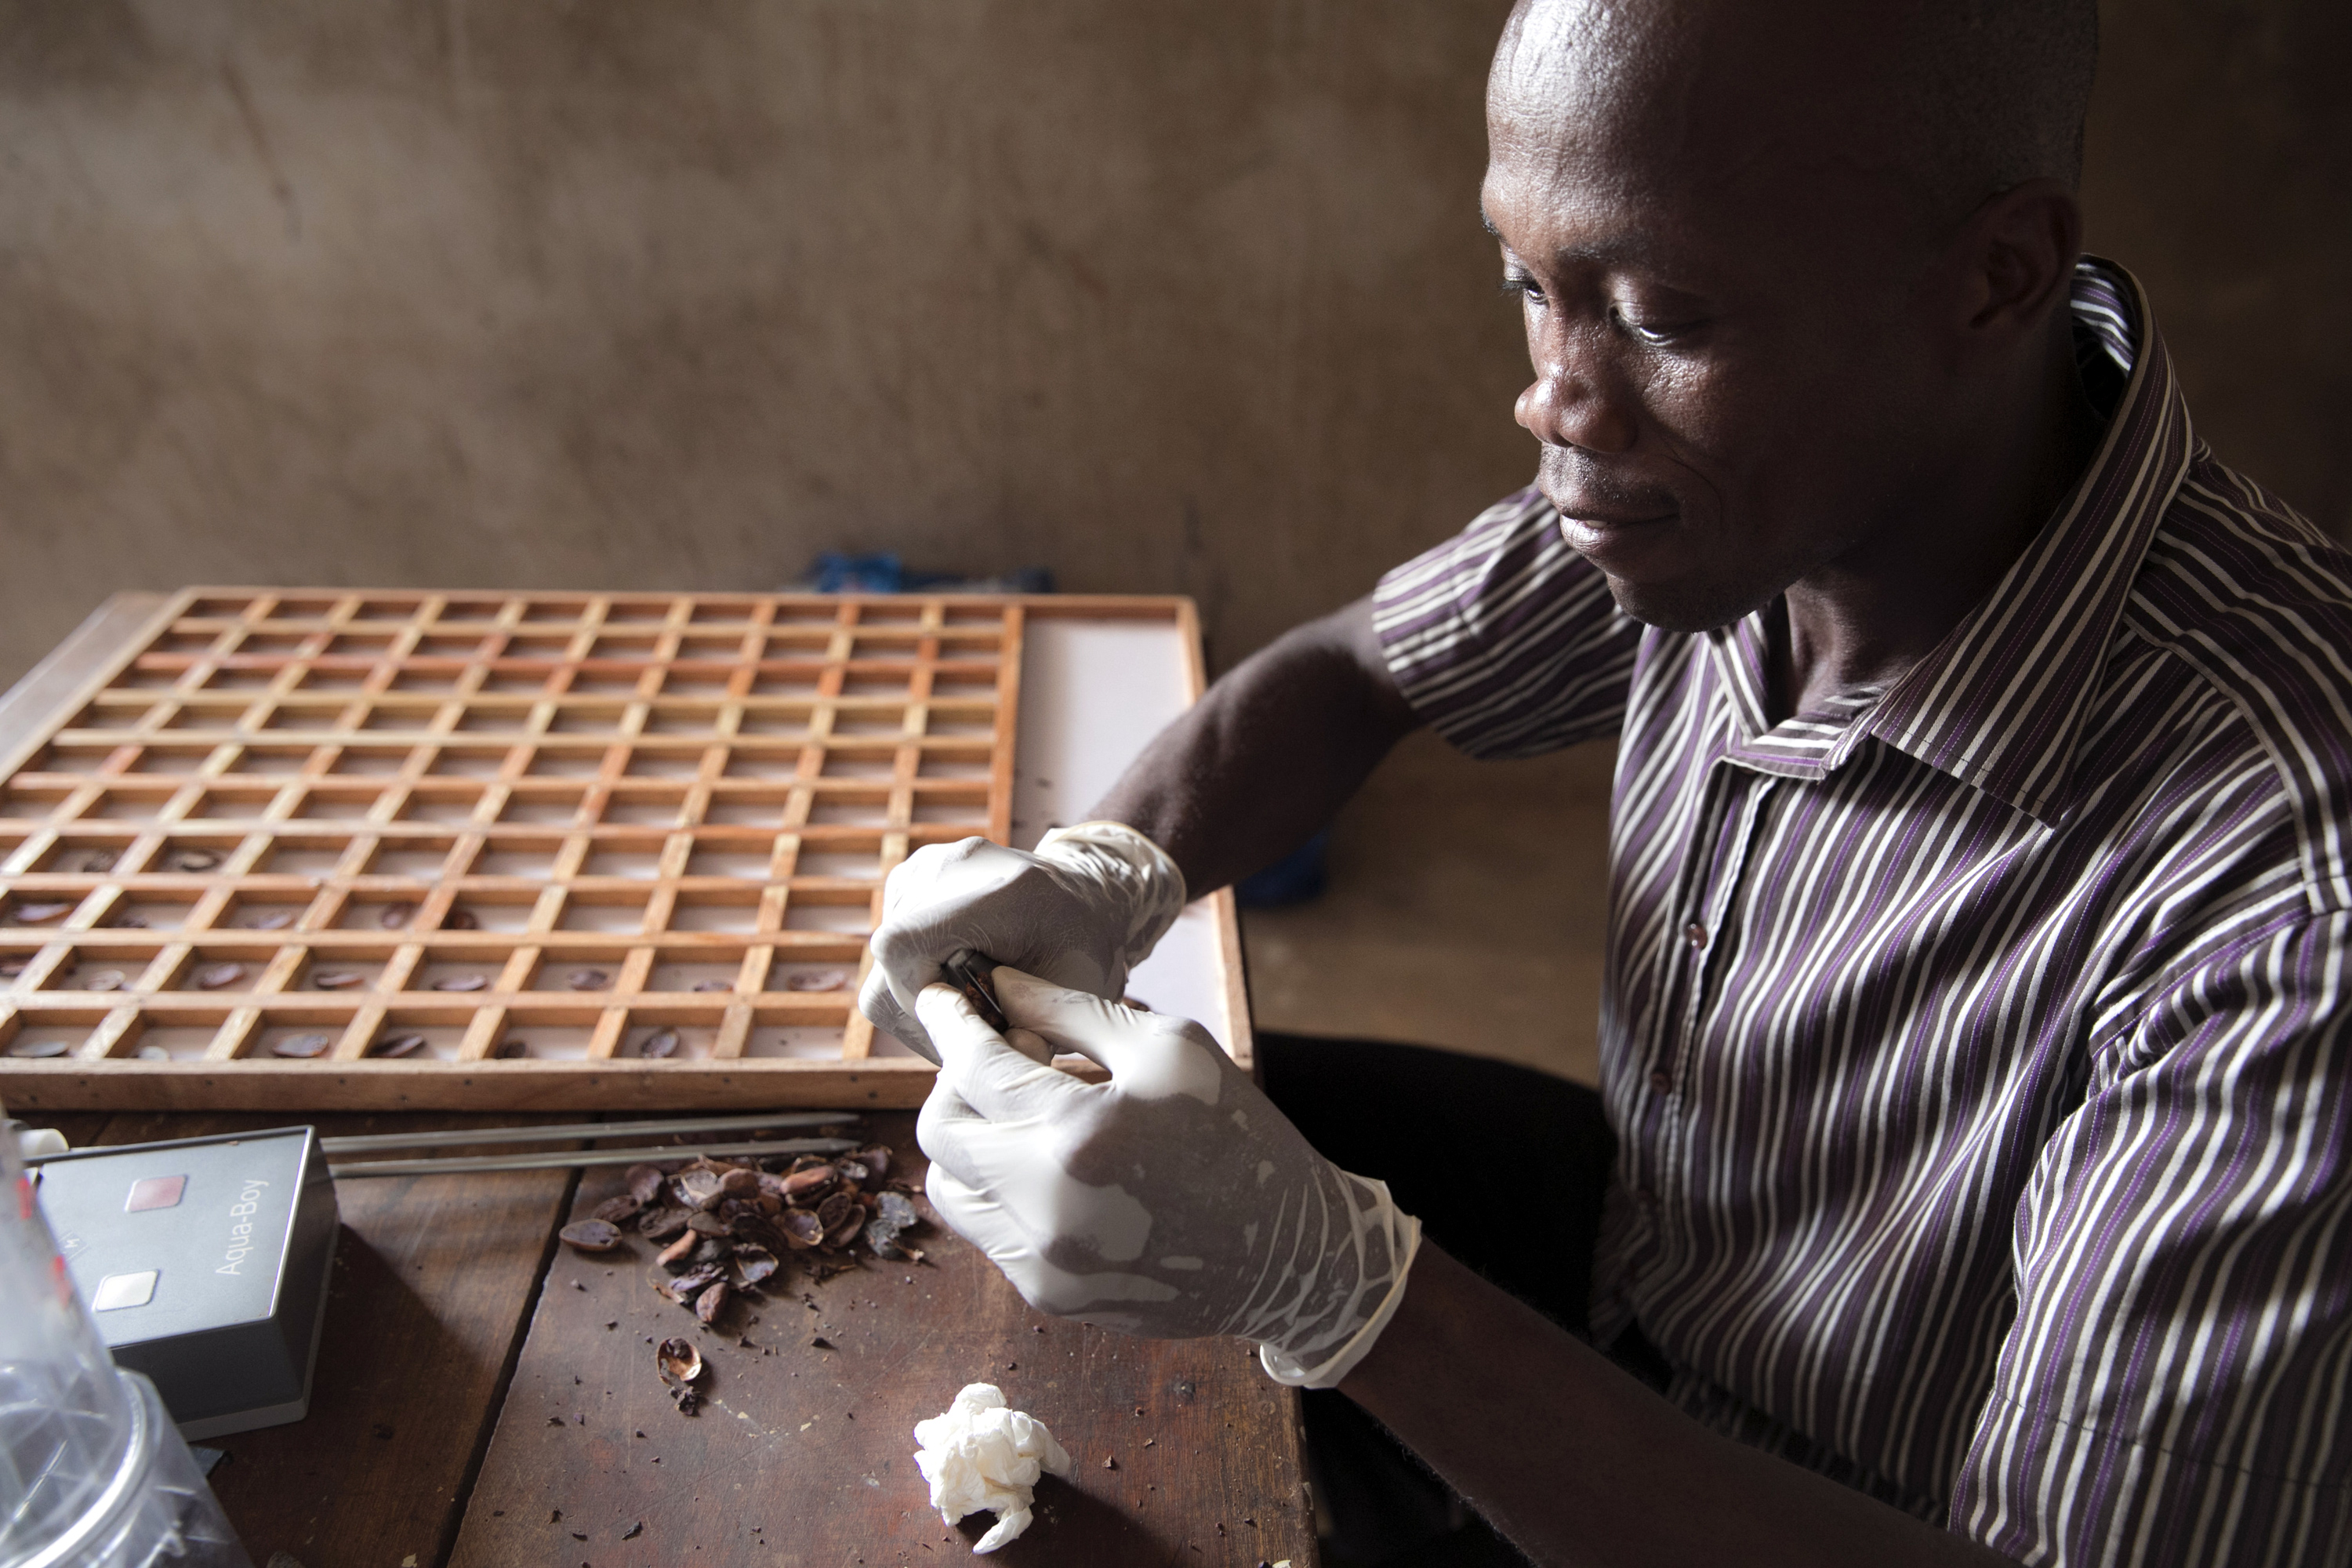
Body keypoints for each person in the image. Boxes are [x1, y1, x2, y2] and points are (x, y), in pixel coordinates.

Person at [860, 1, 2352, 1562]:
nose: (1558, 401)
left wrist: (1351, 1299)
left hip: (1846, 1496)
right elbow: (1358, 668)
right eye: (1531, 285)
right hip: (1660, 1249)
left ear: (1997, 277)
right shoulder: (1751, 491)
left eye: (1663, 313)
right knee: (1029, 1151)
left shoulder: (2287, 918)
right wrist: (1107, 868)